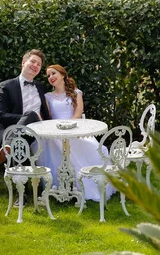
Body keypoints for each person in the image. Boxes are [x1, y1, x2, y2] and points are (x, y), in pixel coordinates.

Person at [39, 64, 115, 202]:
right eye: (48, 75)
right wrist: (58, 130)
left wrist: (68, 128)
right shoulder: (48, 96)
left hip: (74, 128)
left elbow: (78, 113)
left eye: (53, 73)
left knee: (92, 148)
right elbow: (49, 117)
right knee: (52, 144)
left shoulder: (76, 93)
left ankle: (85, 186)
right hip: (55, 131)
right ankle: (60, 186)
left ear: (62, 74)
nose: (51, 77)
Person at [0, 49, 50, 165]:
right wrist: (26, 117)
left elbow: (46, 113)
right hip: (11, 128)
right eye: (33, 61)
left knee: (31, 115)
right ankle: (9, 146)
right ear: (23, 62)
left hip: (37, 130)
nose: (35, 66)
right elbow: (2, 115)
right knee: (30, 115)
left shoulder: (40, 87)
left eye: (39, 64)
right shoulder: (6, 86)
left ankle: (8, 147)